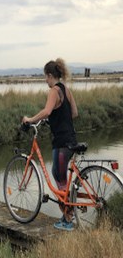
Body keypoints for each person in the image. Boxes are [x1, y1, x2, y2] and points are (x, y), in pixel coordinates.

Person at [22, 58, 78, 232]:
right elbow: (74, 113)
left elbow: (47, 110)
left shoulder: (54, 91)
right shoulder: (66, 89)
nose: (45, 80)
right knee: (62, 178)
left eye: (45, 77)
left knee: (58, 177)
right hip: (71, 139)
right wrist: (53, 119)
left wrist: (30, 119)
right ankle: (68, 213)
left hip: (61, 142)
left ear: (49, 75)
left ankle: (68, 219)